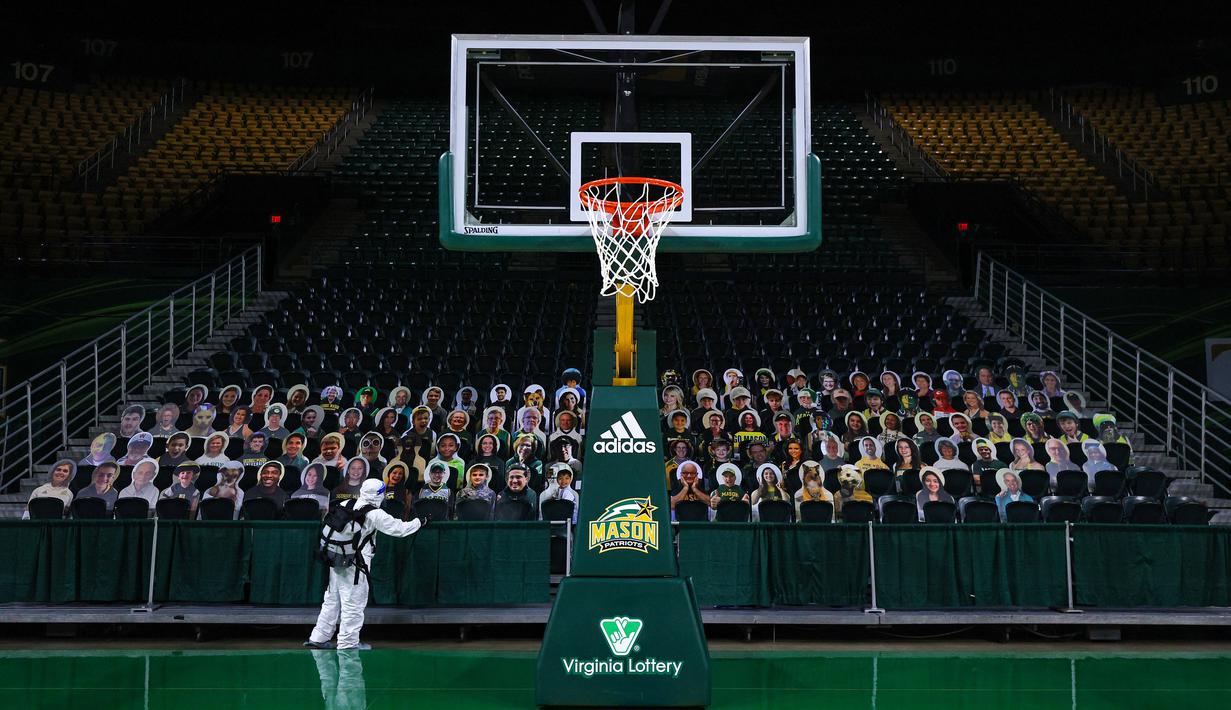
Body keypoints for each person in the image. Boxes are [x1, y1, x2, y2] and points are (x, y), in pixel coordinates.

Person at [305, 478, 426, 650]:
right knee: (353, 603)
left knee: (332, 599)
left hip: (335, 558)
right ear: (378, 494)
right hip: (356, 564)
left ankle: (318, 637)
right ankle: (348, 643)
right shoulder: (375, 514)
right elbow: (399, 529)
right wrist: (419, 522)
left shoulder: (346, 503)